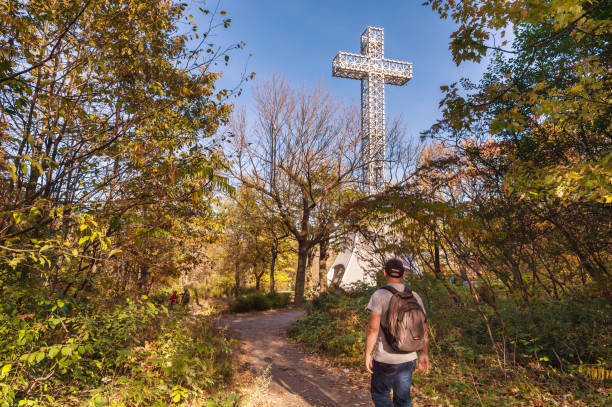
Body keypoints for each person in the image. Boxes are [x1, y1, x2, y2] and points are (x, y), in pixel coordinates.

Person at [365, 258, 429, 407]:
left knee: (380, 395)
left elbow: (373, 329)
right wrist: (424, 354)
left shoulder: (379, 295)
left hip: (384, 359)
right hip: (408, 358)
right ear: (404, 274)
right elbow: (423, 327)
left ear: (384, 273)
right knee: (403, 400)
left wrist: (368, 354)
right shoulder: (415, 296)